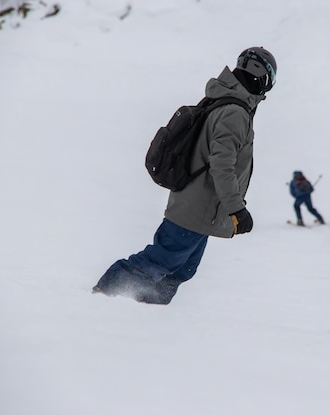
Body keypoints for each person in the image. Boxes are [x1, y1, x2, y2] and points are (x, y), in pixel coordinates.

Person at [92, 47, 277, 305]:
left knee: (181, 270)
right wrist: (237, 209)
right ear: (262, 78)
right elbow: (222, 165)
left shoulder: (226, 104)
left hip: (203, 210)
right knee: (160, 261)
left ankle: (143, 311)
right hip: (196, 208)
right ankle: (101, 299)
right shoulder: (235, 112)